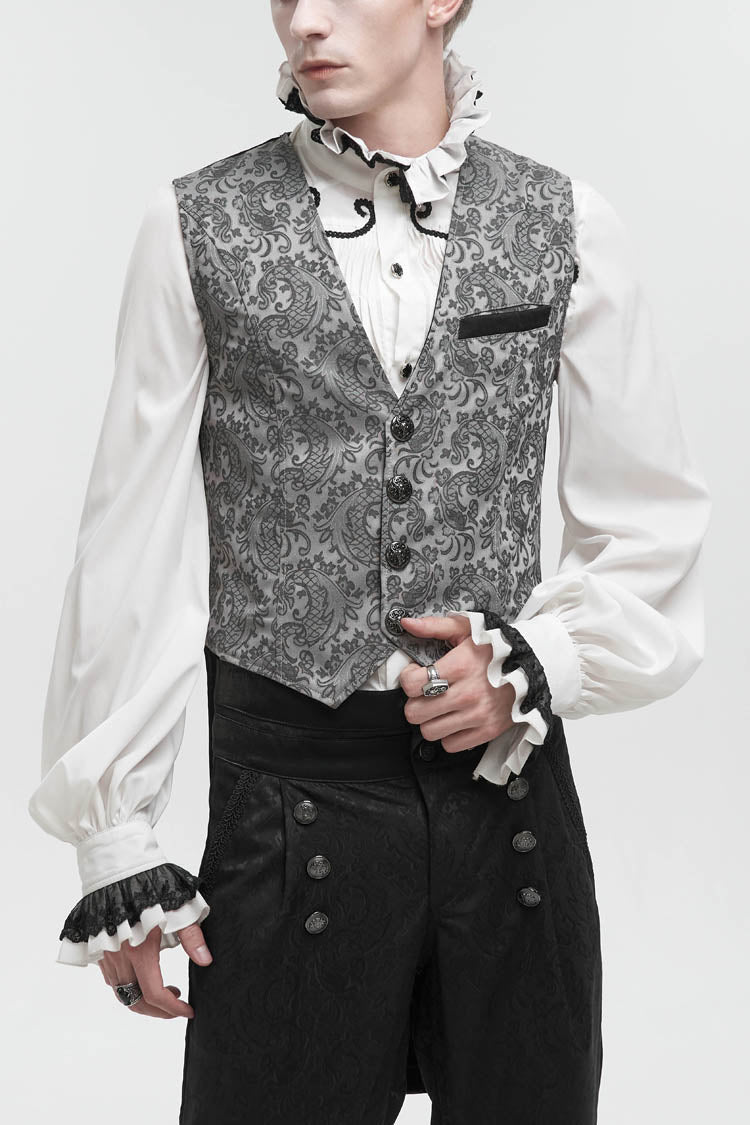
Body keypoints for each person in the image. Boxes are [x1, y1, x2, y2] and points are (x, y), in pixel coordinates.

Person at [28, 1, 711, 1122]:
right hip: (288, 813)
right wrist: (116, 836)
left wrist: (541, 657)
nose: (305, 21)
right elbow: (129, 545)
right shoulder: (194, 224)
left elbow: (651, 522)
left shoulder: (565, 220)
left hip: (511, 821)